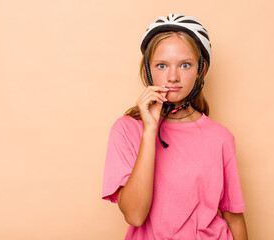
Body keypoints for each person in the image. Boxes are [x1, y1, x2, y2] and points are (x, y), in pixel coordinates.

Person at [102, 13, 248, 240]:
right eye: (162, 65)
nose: (172, 77)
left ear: (200, 70)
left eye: (185, 65)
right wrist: (150, 130)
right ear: (148, 70)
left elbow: (234, 218)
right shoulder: (126, 130)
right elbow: (135, 216)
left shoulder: (221, 137)